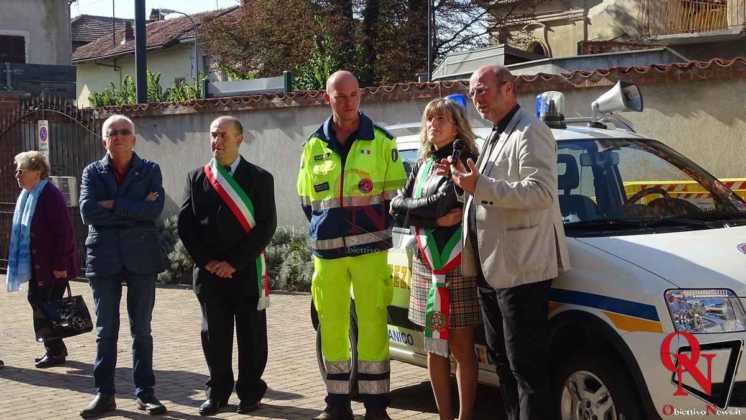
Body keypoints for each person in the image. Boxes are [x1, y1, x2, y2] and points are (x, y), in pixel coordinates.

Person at [440, 65, 570, 420]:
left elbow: (540, 192)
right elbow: (483, 190)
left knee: (526, 368)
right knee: (503, 364)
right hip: (492, 267)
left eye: (481, 90)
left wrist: (478, 187)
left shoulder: (531, 132)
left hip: (522, 268)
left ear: (508, 89)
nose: (475, 99)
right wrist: (461, 182)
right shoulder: (495, 133)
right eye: (472, 92)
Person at [297, 70, 407, 420]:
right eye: (340, 96)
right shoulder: (313, 145)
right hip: (327, 254)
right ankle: (337, 404)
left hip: (370, 251)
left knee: (374, 326)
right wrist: (326, 229)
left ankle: (376, 407)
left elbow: (397, 198)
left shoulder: (382, 142)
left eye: (353, 95)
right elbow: (306, 200)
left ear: (361, 96)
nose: (347, 102)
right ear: (326, 97)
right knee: (331, 326)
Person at [178, 116, 276, 416]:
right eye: (213, 135)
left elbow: (266, 226)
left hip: (245, 271)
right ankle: (217, 393)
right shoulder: (197, 177)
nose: (216, 141)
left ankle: (249, 393)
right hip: (210, 275)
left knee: (252, 337)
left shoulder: (260, 177)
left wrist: (233, 262)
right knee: (215, 337)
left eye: (223, 135)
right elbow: (187, 226)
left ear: (239, 139)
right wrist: (208, 262)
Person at [389, 98, 480, 420]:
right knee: (435, 346)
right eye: (429, 120)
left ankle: (464, 416)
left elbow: (443, 203)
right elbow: (396, 206)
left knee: (460, 348)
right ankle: (444, 416)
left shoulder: (465, 157)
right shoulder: (424, 162)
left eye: (441, 119)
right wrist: (430, 218)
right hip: (428, 269)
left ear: (457, 125)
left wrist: (420, 209)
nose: (433, 125)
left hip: (457, 267)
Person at [79, 114, 167, 418]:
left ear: (134, 138)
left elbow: (153, 209)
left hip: (141, 256)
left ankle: (146, 393)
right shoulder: (92, 172)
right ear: (104, 140)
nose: (118, 136)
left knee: (141, 330)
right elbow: (88, 212)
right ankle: (105, 395)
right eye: (112, 132)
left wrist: (112, 204)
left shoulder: (150, 170)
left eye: (123, 132)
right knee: (106, 331)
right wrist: (133, 206)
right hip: (103, 258)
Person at [6, 151, 79, 369]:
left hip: (52, 266)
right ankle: (55, 348)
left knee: (45, 304)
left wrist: (59, 265)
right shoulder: (27, 195)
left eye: (21, 171)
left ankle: (55, 351)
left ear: (37, 172)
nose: (17, 175)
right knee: (40, 302)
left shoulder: (49, 194)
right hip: (38, 265)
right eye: (16, 171)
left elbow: (64, 232)